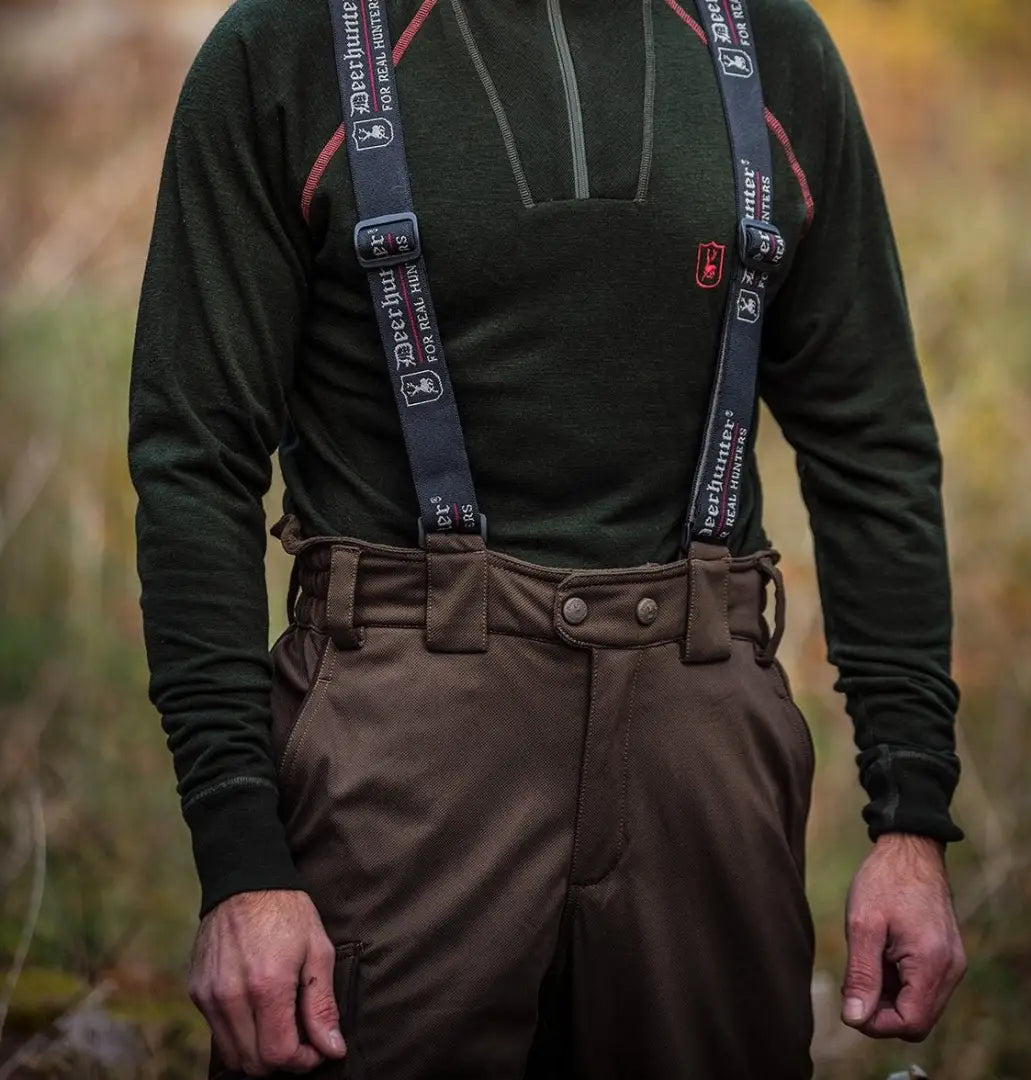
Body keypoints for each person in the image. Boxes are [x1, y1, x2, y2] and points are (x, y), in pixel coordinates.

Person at [128, 0, 967, 1076]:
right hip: (401, 752)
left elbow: (875, 446)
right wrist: (241, 863)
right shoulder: (290, 44)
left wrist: (911, 821)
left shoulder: (770, 42)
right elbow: (193, 460)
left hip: (704, 735)